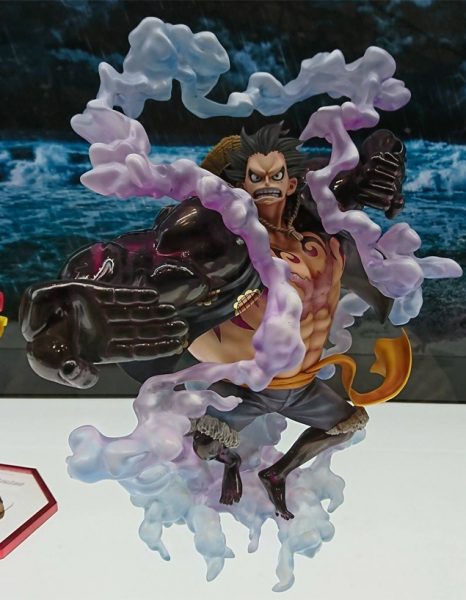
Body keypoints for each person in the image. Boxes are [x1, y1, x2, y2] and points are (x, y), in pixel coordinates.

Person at [20, 123, 407, 518]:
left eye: (277, 177)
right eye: (252, 178)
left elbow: (345, 180)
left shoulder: (316, 224)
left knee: (348, 423)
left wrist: (376, 166)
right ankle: (232, 464)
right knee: (204, 446)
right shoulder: (216, 240)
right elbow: (130, 262)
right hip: (244, 387)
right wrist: (61, 319)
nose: (266, 187)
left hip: (303, 383)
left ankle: (277, 473)